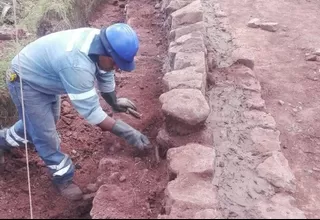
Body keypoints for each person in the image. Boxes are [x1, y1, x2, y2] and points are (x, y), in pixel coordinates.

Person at [0, 23, 151, 201]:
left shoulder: (101, 45)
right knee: (46, 134)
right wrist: (127, 132)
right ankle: (62, 178)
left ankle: (3, 139)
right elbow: (92, 113)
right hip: (25, 81)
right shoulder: (77, 66)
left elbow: (106, 72)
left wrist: (114, 102)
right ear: (106, 52)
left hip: (45, 78)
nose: (117, 68)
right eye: (116, 63)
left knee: (41, 124)